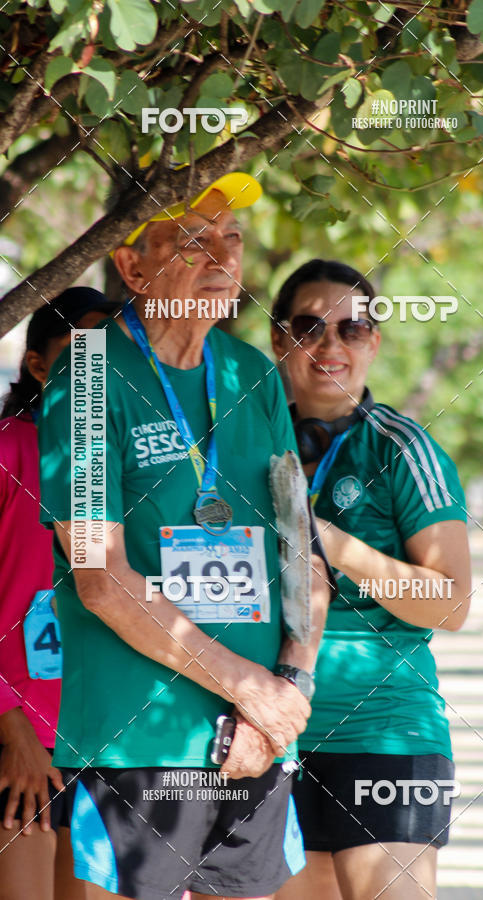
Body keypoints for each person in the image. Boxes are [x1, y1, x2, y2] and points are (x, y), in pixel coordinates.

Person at [37, 173, 330, 900]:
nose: (222, 258)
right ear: (132, 266)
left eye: (231, 239)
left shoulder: (251, 373)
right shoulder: (90, 371)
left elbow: (301, 553)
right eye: (192, 241)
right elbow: (99, 578)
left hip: (255, 741)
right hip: (139, 739)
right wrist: (249, 688)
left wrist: (288, 686)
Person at [270, 259, 472, 900]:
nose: (331, 345)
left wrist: (331, 544)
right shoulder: (237, 442)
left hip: (384, 734)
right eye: (310, 327)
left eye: (352, 329)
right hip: (266, 730)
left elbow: (451, 604)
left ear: (373, 343)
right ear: (279, 339)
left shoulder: (403, 450)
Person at [0, 288, 121, 900]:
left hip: (109, 734)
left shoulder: (122, 465)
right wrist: (10, 724)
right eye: (79, 357)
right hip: (20, 733)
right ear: (38, 365)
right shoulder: (5, 450)